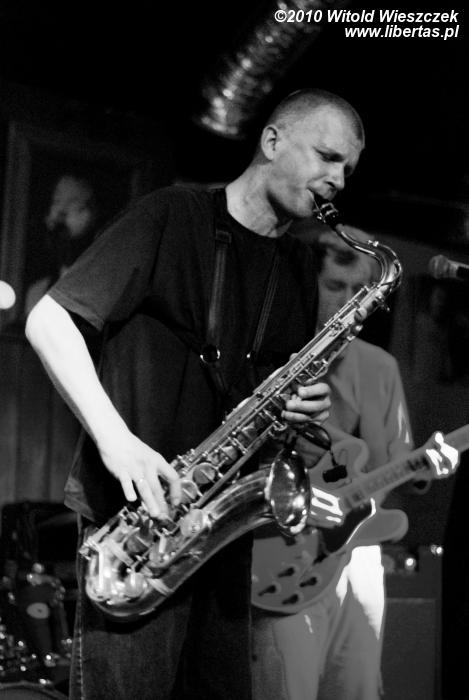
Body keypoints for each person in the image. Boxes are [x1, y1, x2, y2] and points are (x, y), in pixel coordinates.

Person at [24, 88, 365, 700]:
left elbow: (263, 409)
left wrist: (298, 419)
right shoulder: (171, 214)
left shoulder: (296, 268)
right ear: (272, 141)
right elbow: (48, 321)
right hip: (139, 526)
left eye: (348, 169)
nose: (337, 180)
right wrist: (117, 441)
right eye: (327, 156)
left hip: (221, 536)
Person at [251, 225, 415, 700]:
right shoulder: (269, 360)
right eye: (335, 287)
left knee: (358, 689)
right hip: (281, 552)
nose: (350, 304)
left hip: (359, 555)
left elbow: (397, 460)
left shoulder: (381, 366)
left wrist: (423, 466)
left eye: (360, 292)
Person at [24, 174, 99, 315]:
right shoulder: (36, 293)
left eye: (73, 202)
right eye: (57, 201)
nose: (60, 212)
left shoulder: (101, 290)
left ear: (93, 213)